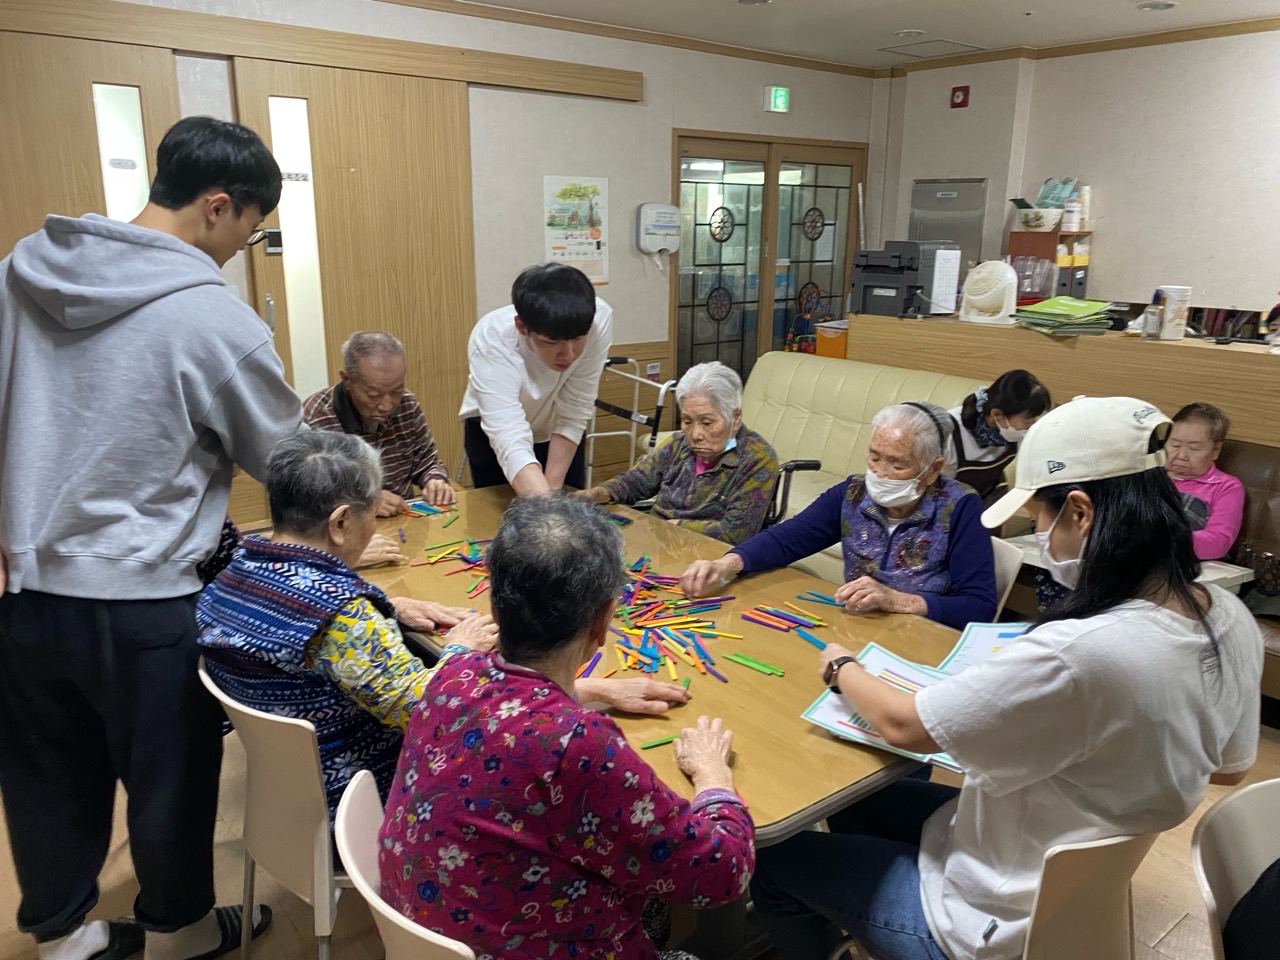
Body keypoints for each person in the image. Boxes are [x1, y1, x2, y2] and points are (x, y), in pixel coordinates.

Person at [750, 396, 1263, 960]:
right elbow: (1230, 767)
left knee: (773, 859)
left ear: (1080, 512)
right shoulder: (1226, 614)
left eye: (1038, 517)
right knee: (858, 801)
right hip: (1037, 865)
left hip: (984, 916)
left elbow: (902, 725)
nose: (1039, 532)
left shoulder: (1077, 652)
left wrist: (841, 667)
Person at [0, 116, 298, 960]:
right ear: (218, 206)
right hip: (148, 599)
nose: (241, 249)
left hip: (26, 594)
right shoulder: (213, 318)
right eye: (250, 229)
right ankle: (185, 934)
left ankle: (65, 940)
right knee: (171, 782)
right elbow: (283, 459)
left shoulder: (18, 274)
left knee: (44, 775)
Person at [380, 495, 756, 960]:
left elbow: (509, 711)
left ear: (495, 606)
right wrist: (713, 776)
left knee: (646, 889)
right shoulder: (579, 746)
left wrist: (593, 689)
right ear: (602, 621)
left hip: (428, 928)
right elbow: (723, 873)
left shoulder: (452, 673)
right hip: (523, 944)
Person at [197, 431, 497, 817]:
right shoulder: (343, 618)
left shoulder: (232, 573)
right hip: (355, 792)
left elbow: (299, 612)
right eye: (369, 513)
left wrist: (389, 607)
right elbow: (424, 708)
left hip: (285, 783)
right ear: (339, 523)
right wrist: (460, 649)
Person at [680, 402, 995, 631]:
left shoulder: (960, 506)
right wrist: (725, 564)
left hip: (924, 640)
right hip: (856, 629)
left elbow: (980, 606)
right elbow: (788, 538)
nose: (880, 473)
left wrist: (900, 601)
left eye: (897, 465)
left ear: (933, 469)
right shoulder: (852, 494)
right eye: (874, 458)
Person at [579, 361, 779, 545]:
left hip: (709, 556)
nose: (695, 434)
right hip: (662, 543)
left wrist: (674, 527)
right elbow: (637, 481)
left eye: (707, 423)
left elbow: (735, 533)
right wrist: (601, 492)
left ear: (735, 419)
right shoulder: (678, 444)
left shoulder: (757, 459)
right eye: (687, 421)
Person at [459, 263, 612, 496]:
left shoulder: (596, 320)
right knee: (505, 513)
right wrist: (546, 506)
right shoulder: (493, 339)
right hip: (495, 433)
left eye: (578, 339)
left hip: (557, 431)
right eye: (551, 342)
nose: (568, 354)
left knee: (564, 503)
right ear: (521, 327)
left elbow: (575, 408)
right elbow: (508, 436)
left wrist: (552, 495)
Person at [304, 331, 456, 515]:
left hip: (403, 519)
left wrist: (435, 480)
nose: (387, 405)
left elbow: (427, 462)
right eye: (373, 395)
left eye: (396, 391)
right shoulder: (317, 418)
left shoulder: (407, 404)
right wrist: (364, 501)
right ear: (347, 380)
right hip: (345, 525)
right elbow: (305, 497)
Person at [943, 369, 1051, 506]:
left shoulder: (1014, 432)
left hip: (990, 497)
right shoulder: (949, 433)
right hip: (948, 504)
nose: (1032, 426)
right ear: (997, 415)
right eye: (1027, 421)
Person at [1166, 402, 1246, 561]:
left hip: (1183, 563)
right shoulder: (1147, 475)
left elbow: (1218, 543)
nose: (1181, 455)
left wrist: (1164, 539)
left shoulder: (1226, 487)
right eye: (1175, 445)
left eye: (1194, 448)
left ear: (1216, 450)